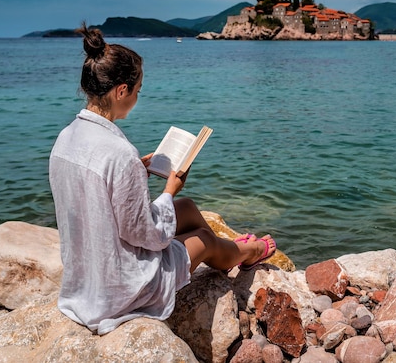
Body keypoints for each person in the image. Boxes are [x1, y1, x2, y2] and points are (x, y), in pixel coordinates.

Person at [49, 22, 276, 335]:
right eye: (137, 91)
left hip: (87, 275)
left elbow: (97, 197)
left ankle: (227, 251)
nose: (137, 98)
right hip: (119, 288)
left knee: (186, 207)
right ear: (121, 91)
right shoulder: (119, 152)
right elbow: (146, 235)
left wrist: (141, 177)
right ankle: (247, 253)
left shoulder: (65, 139)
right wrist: (169, 189)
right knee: (203, 238)